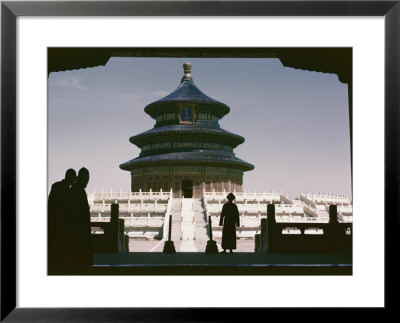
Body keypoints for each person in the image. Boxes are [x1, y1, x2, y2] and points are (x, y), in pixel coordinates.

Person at [48, 168, 76, 272]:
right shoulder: (67, 190)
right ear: (71, 178)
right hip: (60, 223)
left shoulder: (56, 186)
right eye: (74, 179)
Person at [68, 167, 93, 269]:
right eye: (86, 179)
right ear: (82, 178)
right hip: (78, 229)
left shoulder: (77, 189)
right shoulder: (77, 190)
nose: (87, 181)